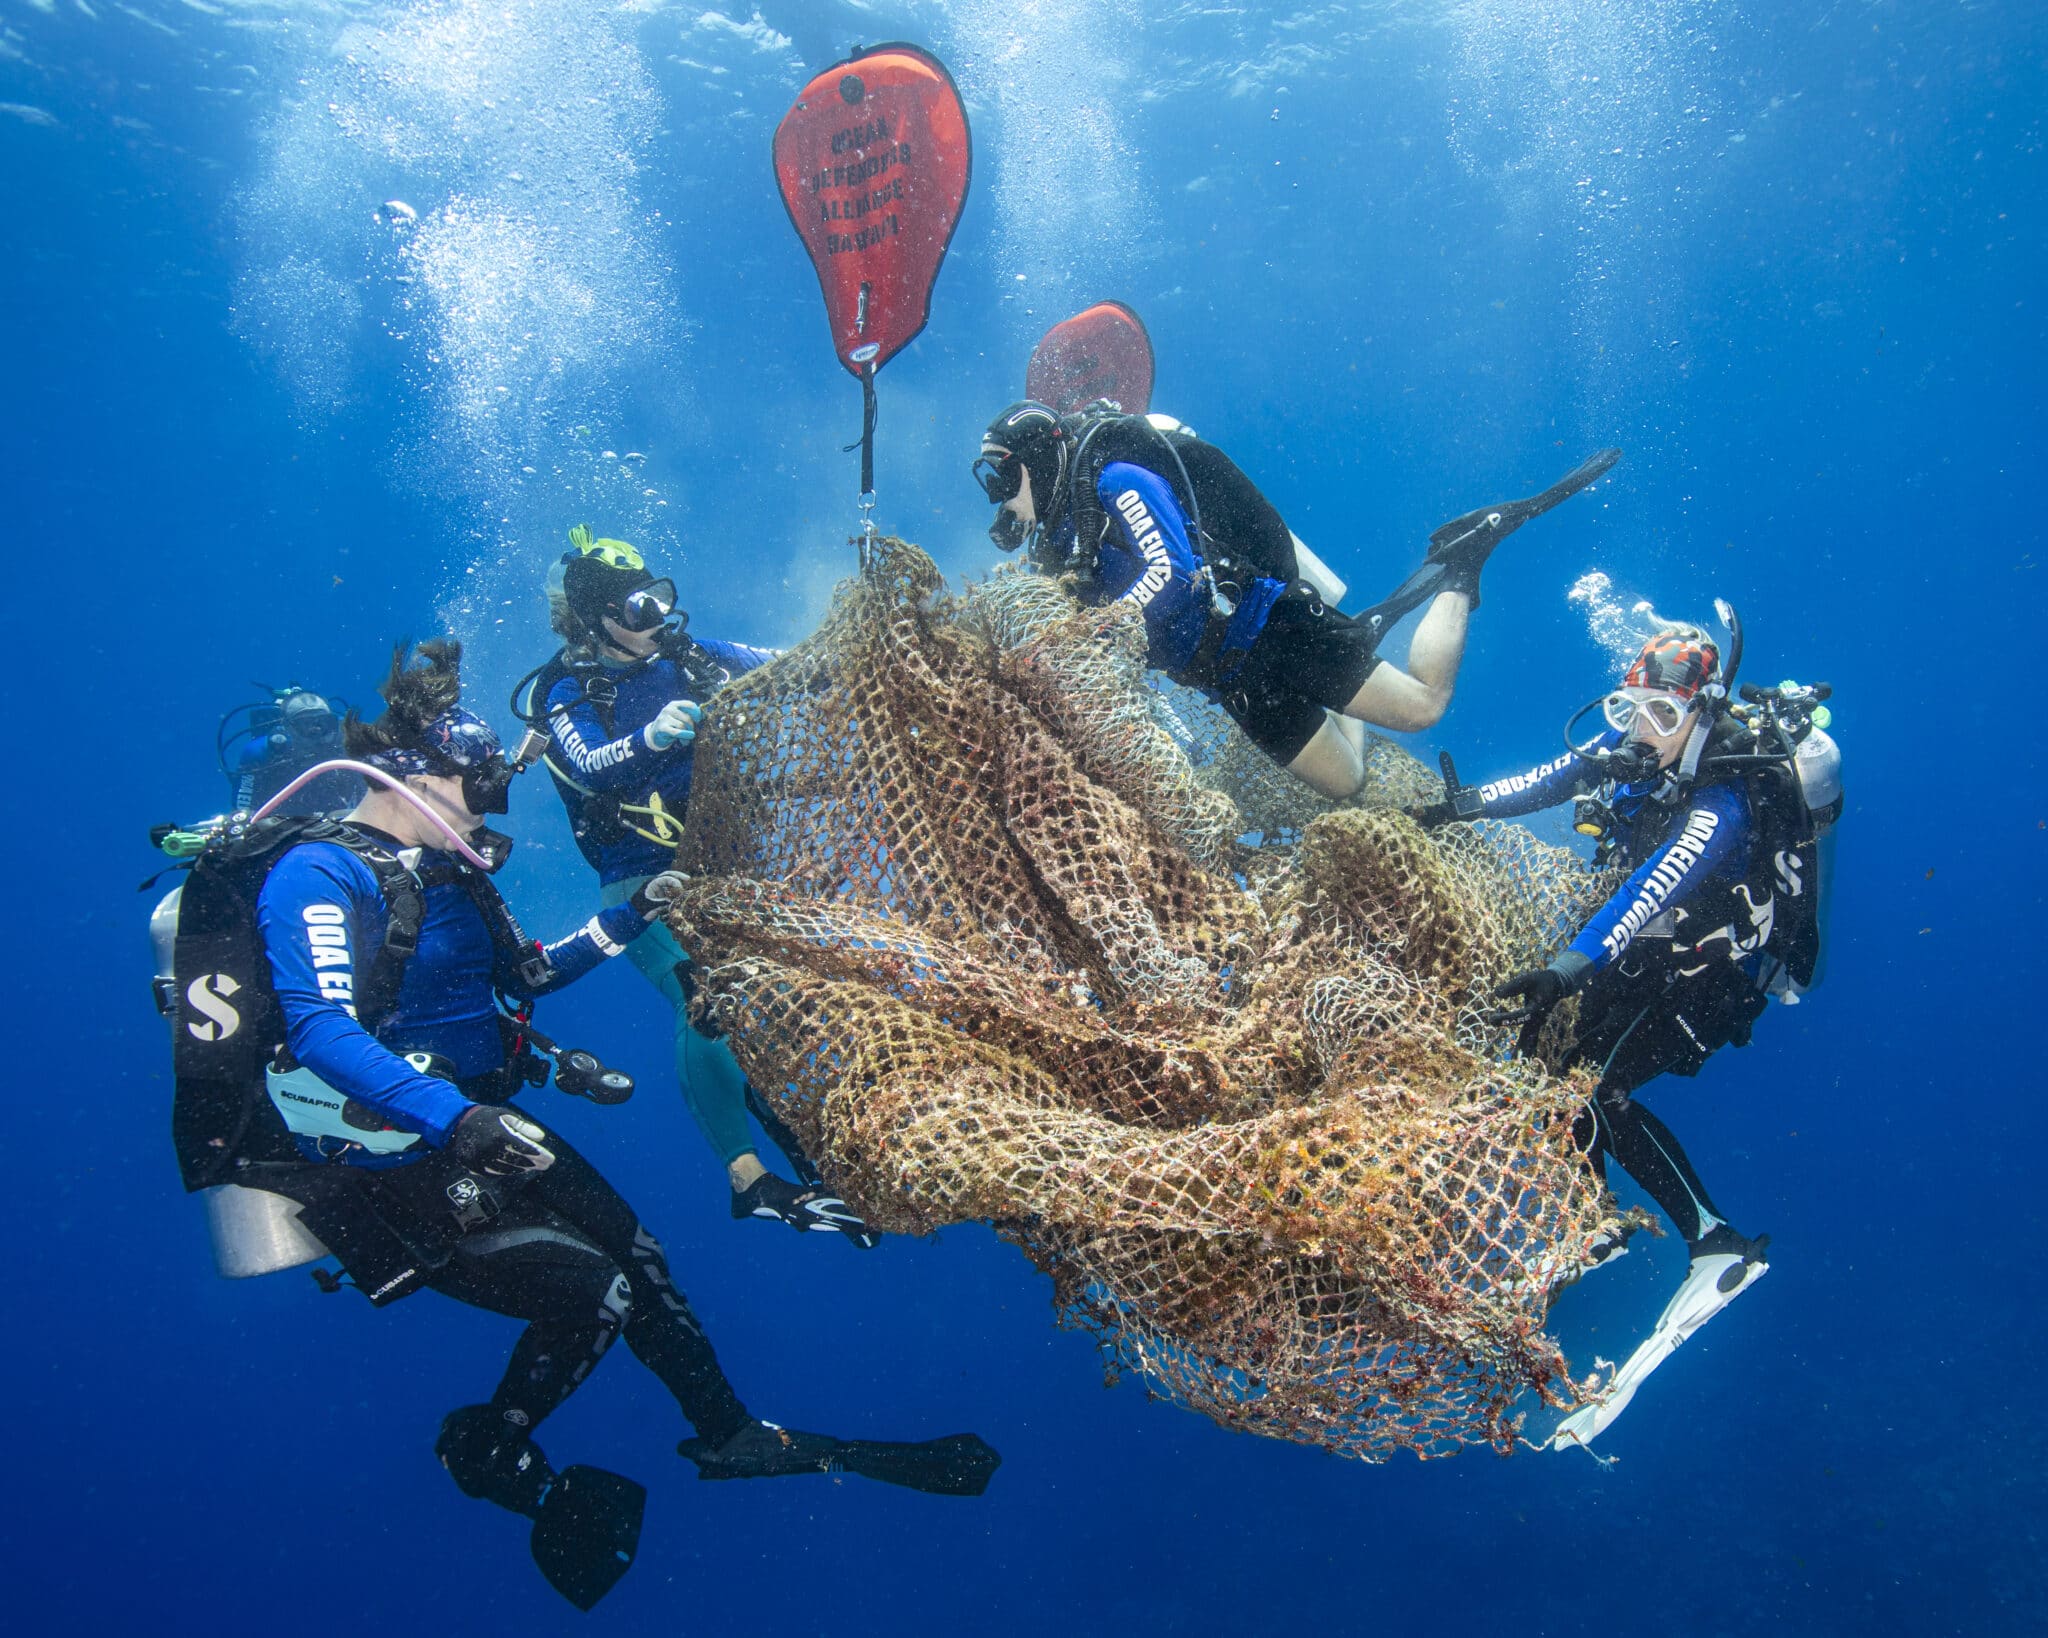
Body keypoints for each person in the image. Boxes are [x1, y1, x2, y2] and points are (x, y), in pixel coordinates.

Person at [167, 640, 994, 1609]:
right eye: (477, 790)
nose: (488, 811)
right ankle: (492, 1445)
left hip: (470, 1116)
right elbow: (314, 1029)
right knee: (593, 1291)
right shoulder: (318, 873)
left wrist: (631, 913)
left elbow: (524, 976)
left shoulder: (445, 872)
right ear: (403, 777)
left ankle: (727, 1432)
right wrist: (458, 1118)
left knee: (640, 1257)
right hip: (379, 1150)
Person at [1412, 614, 1842, 1449]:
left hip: (1718, 974)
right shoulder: (1638, 753)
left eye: (1662, 714)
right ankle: (1595, 1223)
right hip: (1657, 954)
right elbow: (1550, 775)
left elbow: (1660, 878)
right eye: (1629, 708)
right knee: (1550, 1059)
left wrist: (1570, 965)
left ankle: (1717, 1244)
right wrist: (1460, 806)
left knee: (1598, 1084)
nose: (1641, 731)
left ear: (1704, 713)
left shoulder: (1722, 798)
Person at [973, 399, 1617, 798]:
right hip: (1232, 684)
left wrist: (1098, 630)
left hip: (1270, 630)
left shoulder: (1117, 481)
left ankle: (1460, 560)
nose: (998, 494)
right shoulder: (1063, 542)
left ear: (1035, 459)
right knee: (1348, 782)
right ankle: (1357, 651)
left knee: (1425, 707)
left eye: (1001, 474)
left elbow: (1170, 574)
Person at [515, 527, 874, 1242]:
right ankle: (750, 1180)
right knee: (703, 997)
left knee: (787, 1002)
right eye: (633, 607)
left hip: (729, 868)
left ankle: (813, 1134)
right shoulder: (564, 689)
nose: (653, 617)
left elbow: (788, 668)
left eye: (656, 598)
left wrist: (863, 639)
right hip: (640, 884)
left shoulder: (689, 654)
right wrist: (652, 738)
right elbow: (589, 763)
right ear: (596, 619)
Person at [223, 685, 364, 814]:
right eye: (306, 724)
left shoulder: (349, 745)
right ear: (288, 728)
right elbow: (242, 810)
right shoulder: (261, 753)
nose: (317, 730)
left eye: (324, 722)